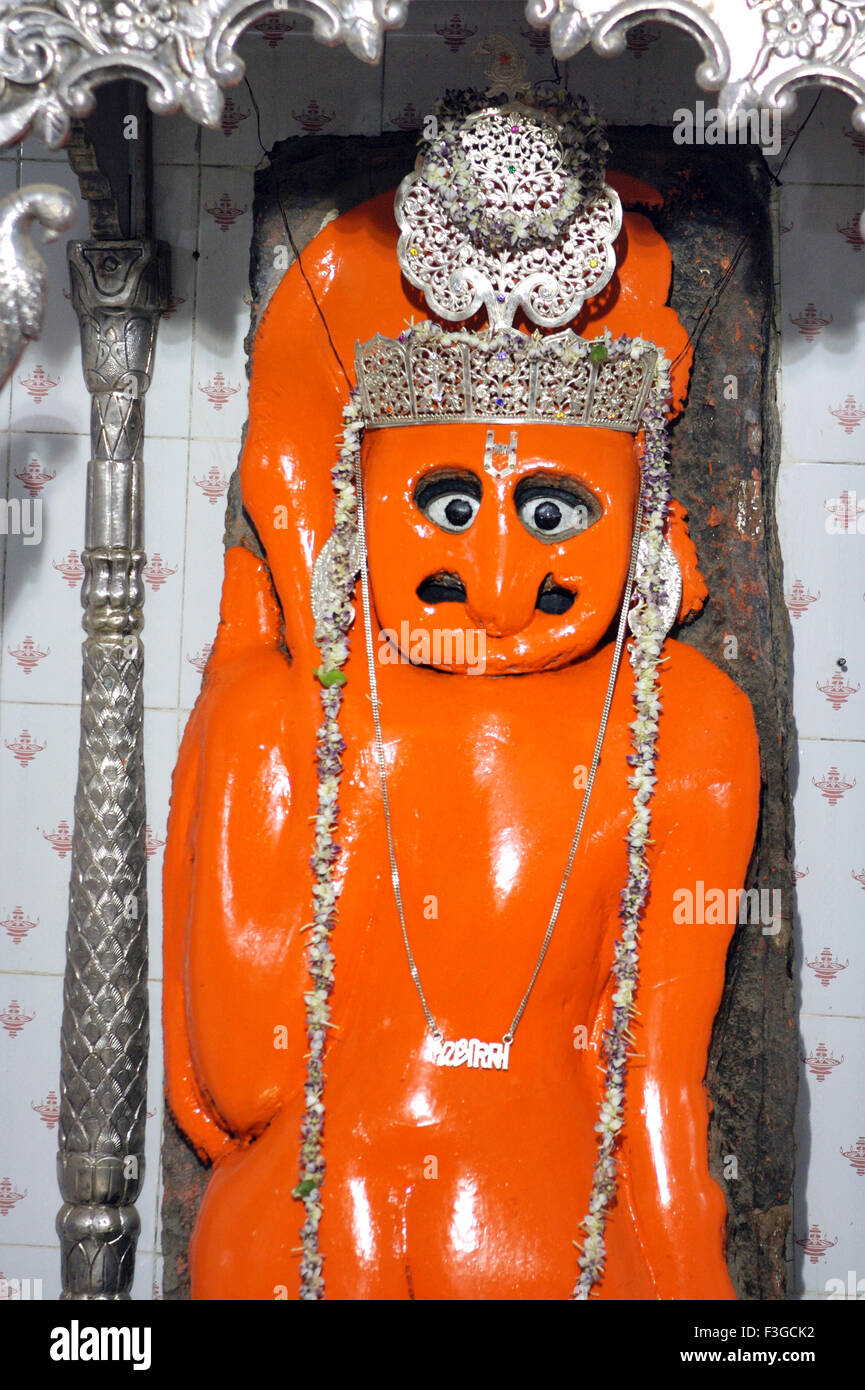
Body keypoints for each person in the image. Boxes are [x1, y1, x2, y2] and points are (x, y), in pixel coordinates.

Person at [163, 92, 760, 1300]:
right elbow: (241, 1086)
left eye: (551, 513)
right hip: (419, 1219)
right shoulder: (686, 718)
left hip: (415, 1214)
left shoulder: (677, 722)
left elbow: (237, 1078)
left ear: (641, 518)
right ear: (356, 508)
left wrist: (240, 714)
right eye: (446, 504)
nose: (493, 579)